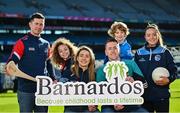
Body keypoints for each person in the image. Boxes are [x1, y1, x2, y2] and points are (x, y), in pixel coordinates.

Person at [5, 12, 55, 113]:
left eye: (41, 24)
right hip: (25, 89)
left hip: (43, 89)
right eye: (36, 23)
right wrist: (10, 65)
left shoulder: (46, 44)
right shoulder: (22, 42)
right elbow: (12, 61)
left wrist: (53, 78)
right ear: (30, 24)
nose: (38, 26)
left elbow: (49, 64)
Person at [134, 23, 177, 113]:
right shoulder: (139, 53)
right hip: (144, 97)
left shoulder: (165, 52)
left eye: (154, 34)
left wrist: (169, 79)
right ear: (145, 37)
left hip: (161, 96)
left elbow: (174, 71)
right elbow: (135, 73)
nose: (152, 37)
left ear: (158, 36)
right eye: (148, 35)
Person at [96, 38, 147, 112]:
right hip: (110, 106)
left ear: (119, 50)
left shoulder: (131, 63)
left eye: (115, 48)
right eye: (110, 49)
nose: (113, 51)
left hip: (131, 104)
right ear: (106, 52)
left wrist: (135, 83)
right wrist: (114, 103)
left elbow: (145, 85)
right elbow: (100, 93)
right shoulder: (102, 69)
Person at [64, 46, 99, 113]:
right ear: (77, 58)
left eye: (87, 56)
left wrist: (94, 105)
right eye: (81, 55)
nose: (84, 58)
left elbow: (98, 94)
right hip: (71, 108)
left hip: (87, 109)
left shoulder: (94, 74)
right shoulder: (68, 72)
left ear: (90, 59)